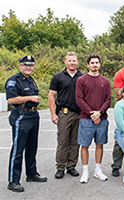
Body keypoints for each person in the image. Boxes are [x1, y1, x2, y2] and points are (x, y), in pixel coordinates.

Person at [6, 55, 47, 192]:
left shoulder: (30, 80)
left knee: (32, 147)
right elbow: (11, 100)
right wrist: (30, 97)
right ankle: (13, 181)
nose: (28, 68)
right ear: (20, 66)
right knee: (18, 149)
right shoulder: (14, 80)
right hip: (21, 116)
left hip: (33, 115)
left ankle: (31, 173)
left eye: (30, 65)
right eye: (25, 65)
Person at [75, 54, 111, 183]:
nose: (94, 65)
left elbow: (108, 99)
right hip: (86, 118)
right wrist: (91, 113)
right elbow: (79, 99)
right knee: (84, 145)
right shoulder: (81, 80)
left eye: (96, 62)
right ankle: (85, 172)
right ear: (88, 65)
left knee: (99, 145)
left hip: (102, 119)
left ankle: (98, 170)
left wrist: (100, 113)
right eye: (92, 63)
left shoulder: (105, 81)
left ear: (100, 64)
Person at [48, 51, 83, 179]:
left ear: (77, 62)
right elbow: (51, 95)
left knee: (75, 142)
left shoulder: (82, 77)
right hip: (64, 113)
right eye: (69, 60)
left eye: (74, 60)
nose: (72, 63)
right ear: (65, 62)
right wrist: (53, 114)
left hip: (79, 114)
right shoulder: (58, 76)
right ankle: (60, 167)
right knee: (63, 141)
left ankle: (71, 166)